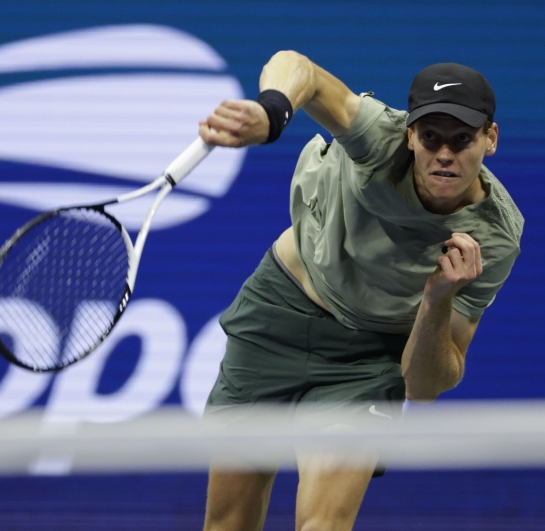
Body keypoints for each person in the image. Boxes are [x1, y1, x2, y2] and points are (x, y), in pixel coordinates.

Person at [197, 53, 524, 531]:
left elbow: (423, 387)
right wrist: (271, 112)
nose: (445, 154)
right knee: (228, 523)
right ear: (410, 135)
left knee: (323, 524)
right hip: (279, 315)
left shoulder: (494, 238)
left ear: (490, 139)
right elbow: (297, 68)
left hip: (369, 359)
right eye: (431, 137)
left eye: (462, 138)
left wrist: (437, 300)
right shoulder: (378, 137)